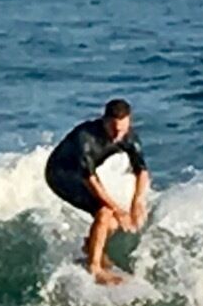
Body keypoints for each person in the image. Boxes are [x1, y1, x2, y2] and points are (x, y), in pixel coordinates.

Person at [44, 98, 150, 285]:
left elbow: (141, 171)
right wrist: (118, 209)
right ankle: (94, 267)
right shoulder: (86, 138)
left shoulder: (128, 135)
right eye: (114, 129)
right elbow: (90, 180)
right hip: (60, 175)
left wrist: (137, 202)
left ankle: (90, 247)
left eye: (123, 128)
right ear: (105, 121)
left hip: (83, 176)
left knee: (111, 222)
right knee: (105, 211)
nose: (118, 134)